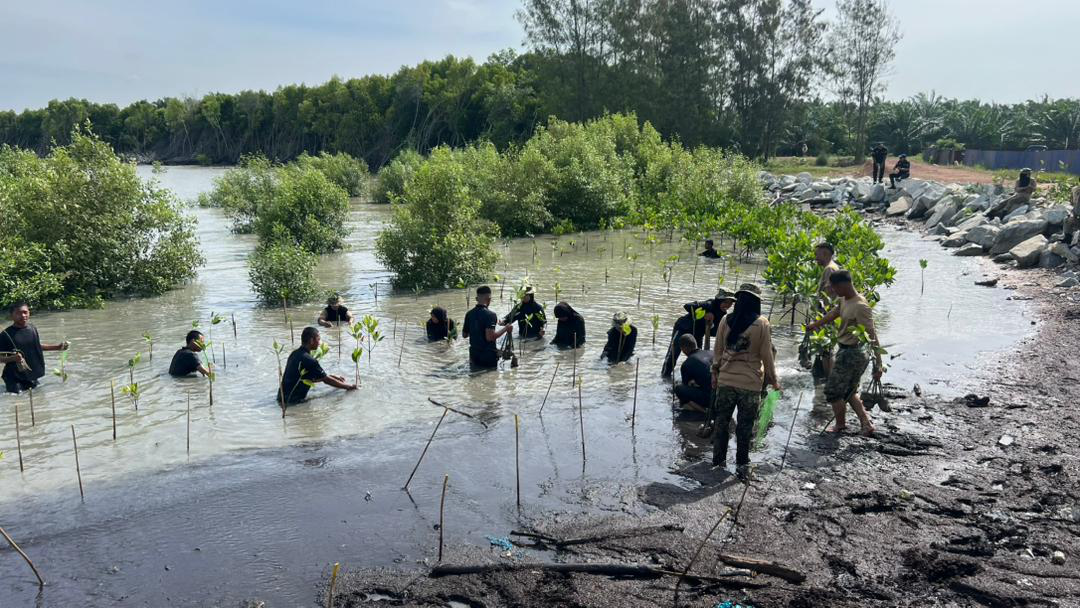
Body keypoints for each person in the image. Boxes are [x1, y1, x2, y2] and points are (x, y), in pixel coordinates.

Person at [710, 284, 780, 479]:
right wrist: (774, 381)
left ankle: (718, 461)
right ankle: (742, 464)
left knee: (722, 423)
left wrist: (715, 373)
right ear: (756, 302)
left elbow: (718, 351)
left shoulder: (726, 319)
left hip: (726, 381)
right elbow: (767, 356)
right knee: (745, 426)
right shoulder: (762, 323)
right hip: (750, 385)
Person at [806, 270, 881, 436]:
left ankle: (840, 425)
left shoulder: (860, 306)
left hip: (853, 354)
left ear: (843, 285)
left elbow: (872, 335)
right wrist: (815, 325)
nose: (832, 291)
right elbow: (834, 313)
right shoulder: (844, 299)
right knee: (849, 391)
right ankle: (866, 423)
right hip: (844, 350)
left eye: (834, 287)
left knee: (832, 391)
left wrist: (878, 365)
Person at [661, 290, 735, 377]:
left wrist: (711, 325)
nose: (728, 305)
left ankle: (692, 379)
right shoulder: (708, 304)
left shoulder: (723, 315)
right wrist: (704, 313)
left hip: (698, 334)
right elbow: (687, 306)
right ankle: (665, 377)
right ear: (719, 300)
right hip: (683, 328)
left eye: (730, 303)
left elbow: (714, 333)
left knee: (697, 358)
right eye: (725, 302)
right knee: (673, 355)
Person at [0, 302, 70, 394]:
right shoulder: (5, 335)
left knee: (38, 398)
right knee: (17, 399)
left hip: (31, 375)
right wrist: (12, 358)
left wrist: (57, 347)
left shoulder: (32, 329)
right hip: (14, 377)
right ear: (11, 316)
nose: (23, 315)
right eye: (18, 313)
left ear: (29, 313)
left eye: (25, 312)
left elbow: (36, 346)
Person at [278, 326, 357, 405]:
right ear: (311, 340)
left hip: (281, 398)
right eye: (318, 339)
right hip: (293, 401)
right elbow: (326, 380)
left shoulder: (294, 354)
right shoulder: (309, 360)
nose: (319, 343)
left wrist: (331, 377)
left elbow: (303, 378)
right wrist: (349, 387)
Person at [462, 286, 513, 368]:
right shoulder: (490, 315)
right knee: (489, 378)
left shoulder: (469, 314)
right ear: (489, 299)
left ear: (476, 298)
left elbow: (465, 335)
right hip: (488, 356)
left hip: (473, 355)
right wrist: (505, 328)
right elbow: (490, 337)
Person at [812, 242, 841, 378]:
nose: (815, 258)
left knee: (826, 350)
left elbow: (829, 296)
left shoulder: (830, 269)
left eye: (817, 255)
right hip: (829, 316)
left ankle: (829, 381)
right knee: (827, 350)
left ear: (825, 254)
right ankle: (829, 380)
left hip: (828, 317)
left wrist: (821, 320)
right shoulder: (832, 268)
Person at [674, 334, 712, 416]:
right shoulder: (711, 353)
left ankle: (705, 412)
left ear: (683, 349)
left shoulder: (687, 364)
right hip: (723, 394)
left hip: (710, 398)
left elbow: (685, 386)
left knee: (678, 388)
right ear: (695, 344)